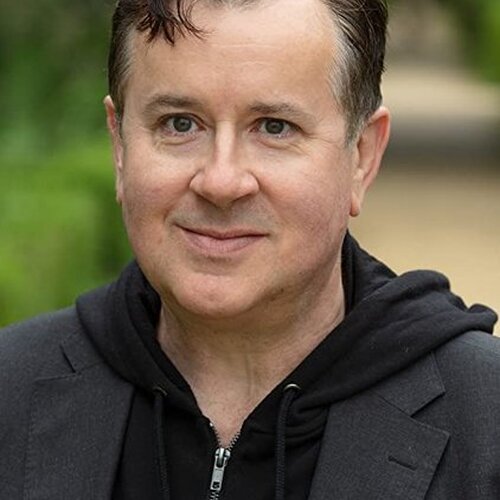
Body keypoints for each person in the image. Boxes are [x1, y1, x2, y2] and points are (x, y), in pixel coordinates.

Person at [1, 0, 499, 498]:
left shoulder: (486, 426)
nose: (221, 182)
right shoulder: (9, 391)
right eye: (179, 123)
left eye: (274, 127)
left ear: (361, 157)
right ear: (120, 147)